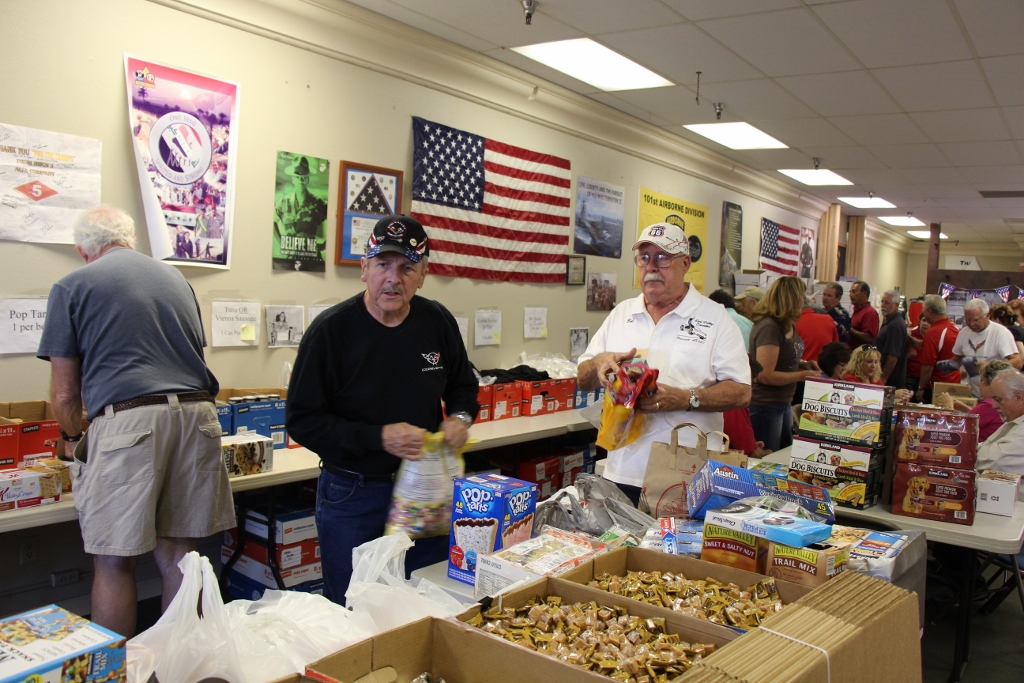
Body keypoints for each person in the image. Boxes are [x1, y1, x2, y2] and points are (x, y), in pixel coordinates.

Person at [37, 206, 233, 637]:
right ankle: (181, 666)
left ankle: (115, 672)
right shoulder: (176, 279)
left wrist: (72, 440)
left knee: (113, 560)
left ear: (84, 251)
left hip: (129, 423)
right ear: (129, 239)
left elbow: (66, 393)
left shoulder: (72, 284)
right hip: (198, 417)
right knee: (181, 555)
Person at [285, 215, 478, 604]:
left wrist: (460, 417)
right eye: (382, 264)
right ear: (363, 270)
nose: (393, 278)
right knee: (352, 605)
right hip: (352, 493)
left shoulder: (436, 321)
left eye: (407, 267)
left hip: (424, 490)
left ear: (423, 274)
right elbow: (302, 422)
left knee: (426, 594)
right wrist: (378, 437)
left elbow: (464, 384)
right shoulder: (330, 332)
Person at [577, 222, 750, 505]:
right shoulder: (622, 313)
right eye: (644, 258)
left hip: (687, 473)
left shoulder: (715, 317)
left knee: (676, 551)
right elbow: (582, 378)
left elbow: (742, 391)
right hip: (622, 471)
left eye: (663, 258)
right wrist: (598, 363)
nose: (651, 266)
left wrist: (685, 398)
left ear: (685, 263)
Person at [748, 276, 820, 451]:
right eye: (802, 296)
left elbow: (781, 357)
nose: (805, 300)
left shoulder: (786, 325)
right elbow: (765, 374)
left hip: (783, 402)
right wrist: (802, 376)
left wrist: (802, 364)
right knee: (770, 458)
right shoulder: (769, 328)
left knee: (783, 454)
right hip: (766, 405)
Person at [943, 299, 1022, 396]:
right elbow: (959, 357)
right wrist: (949, 366)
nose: (972, 323)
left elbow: (1017, 361)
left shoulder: (1000, 333)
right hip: (973, 391)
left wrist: (990, 368)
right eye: (968, 319)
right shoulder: (964, 332)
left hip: (996, 394)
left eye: (976, 320)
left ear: (987, 316)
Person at [976, 365, 1024, 492]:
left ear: (1019, 398)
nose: (993, 406)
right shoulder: (1014, 420)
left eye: (998, 400)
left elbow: (995, 460)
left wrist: (958, 453)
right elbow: (988, 447)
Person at [936, 360, 1008, 443]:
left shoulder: (989, 405)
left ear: (991, 384)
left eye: (981, 380)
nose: (978, 384)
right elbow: (977, 417)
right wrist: (963, 407)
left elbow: (954, 427)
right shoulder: (998, 402)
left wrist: (948, 406)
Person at [274, 155, 328, 265]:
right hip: (290, 259)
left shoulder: (318, 203)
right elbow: (273, 221)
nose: (300, 181)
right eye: (297, 177)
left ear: (308, 179)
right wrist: (281, 242)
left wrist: (324, 245)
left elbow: (337, 223)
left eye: (303, 178)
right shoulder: (283, 202)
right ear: (293, 179)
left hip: (312, 260)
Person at [916, 294, 960, 404]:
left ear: (929, 311)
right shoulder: (954, 329)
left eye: (923, 310)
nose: (923, 314)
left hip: (937, 387)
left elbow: (928, 365)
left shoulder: (933, 333)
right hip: (954, 384)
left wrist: (921, 387)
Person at [876, 289, 909, 387]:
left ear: (896, 306)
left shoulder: (895, 325)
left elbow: (893, 355)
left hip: (891, 380)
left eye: (887, 303)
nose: (883, 305)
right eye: (882, 302)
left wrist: (884, 377)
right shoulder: (889, 321)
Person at [795, 296, 838, 365]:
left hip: (800, 370)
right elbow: (836, 347)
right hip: (825, 370)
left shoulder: (793, 323)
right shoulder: (829, 319)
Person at [848, 281, 879, 349]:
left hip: (861, 356)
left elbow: (869, 339)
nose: (850, 295)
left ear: (864, 293)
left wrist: (849, 329)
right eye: (850, 292)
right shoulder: (857, 310)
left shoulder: (870, 313)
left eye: (854, 292)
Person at [905, 312, 930, 394]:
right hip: (910, 376)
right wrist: (908, 355)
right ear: (919, 321)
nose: (925, 324)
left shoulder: (933, 337)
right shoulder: (911, 334)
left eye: (928, 322)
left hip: (925, 377)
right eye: (923, 320)